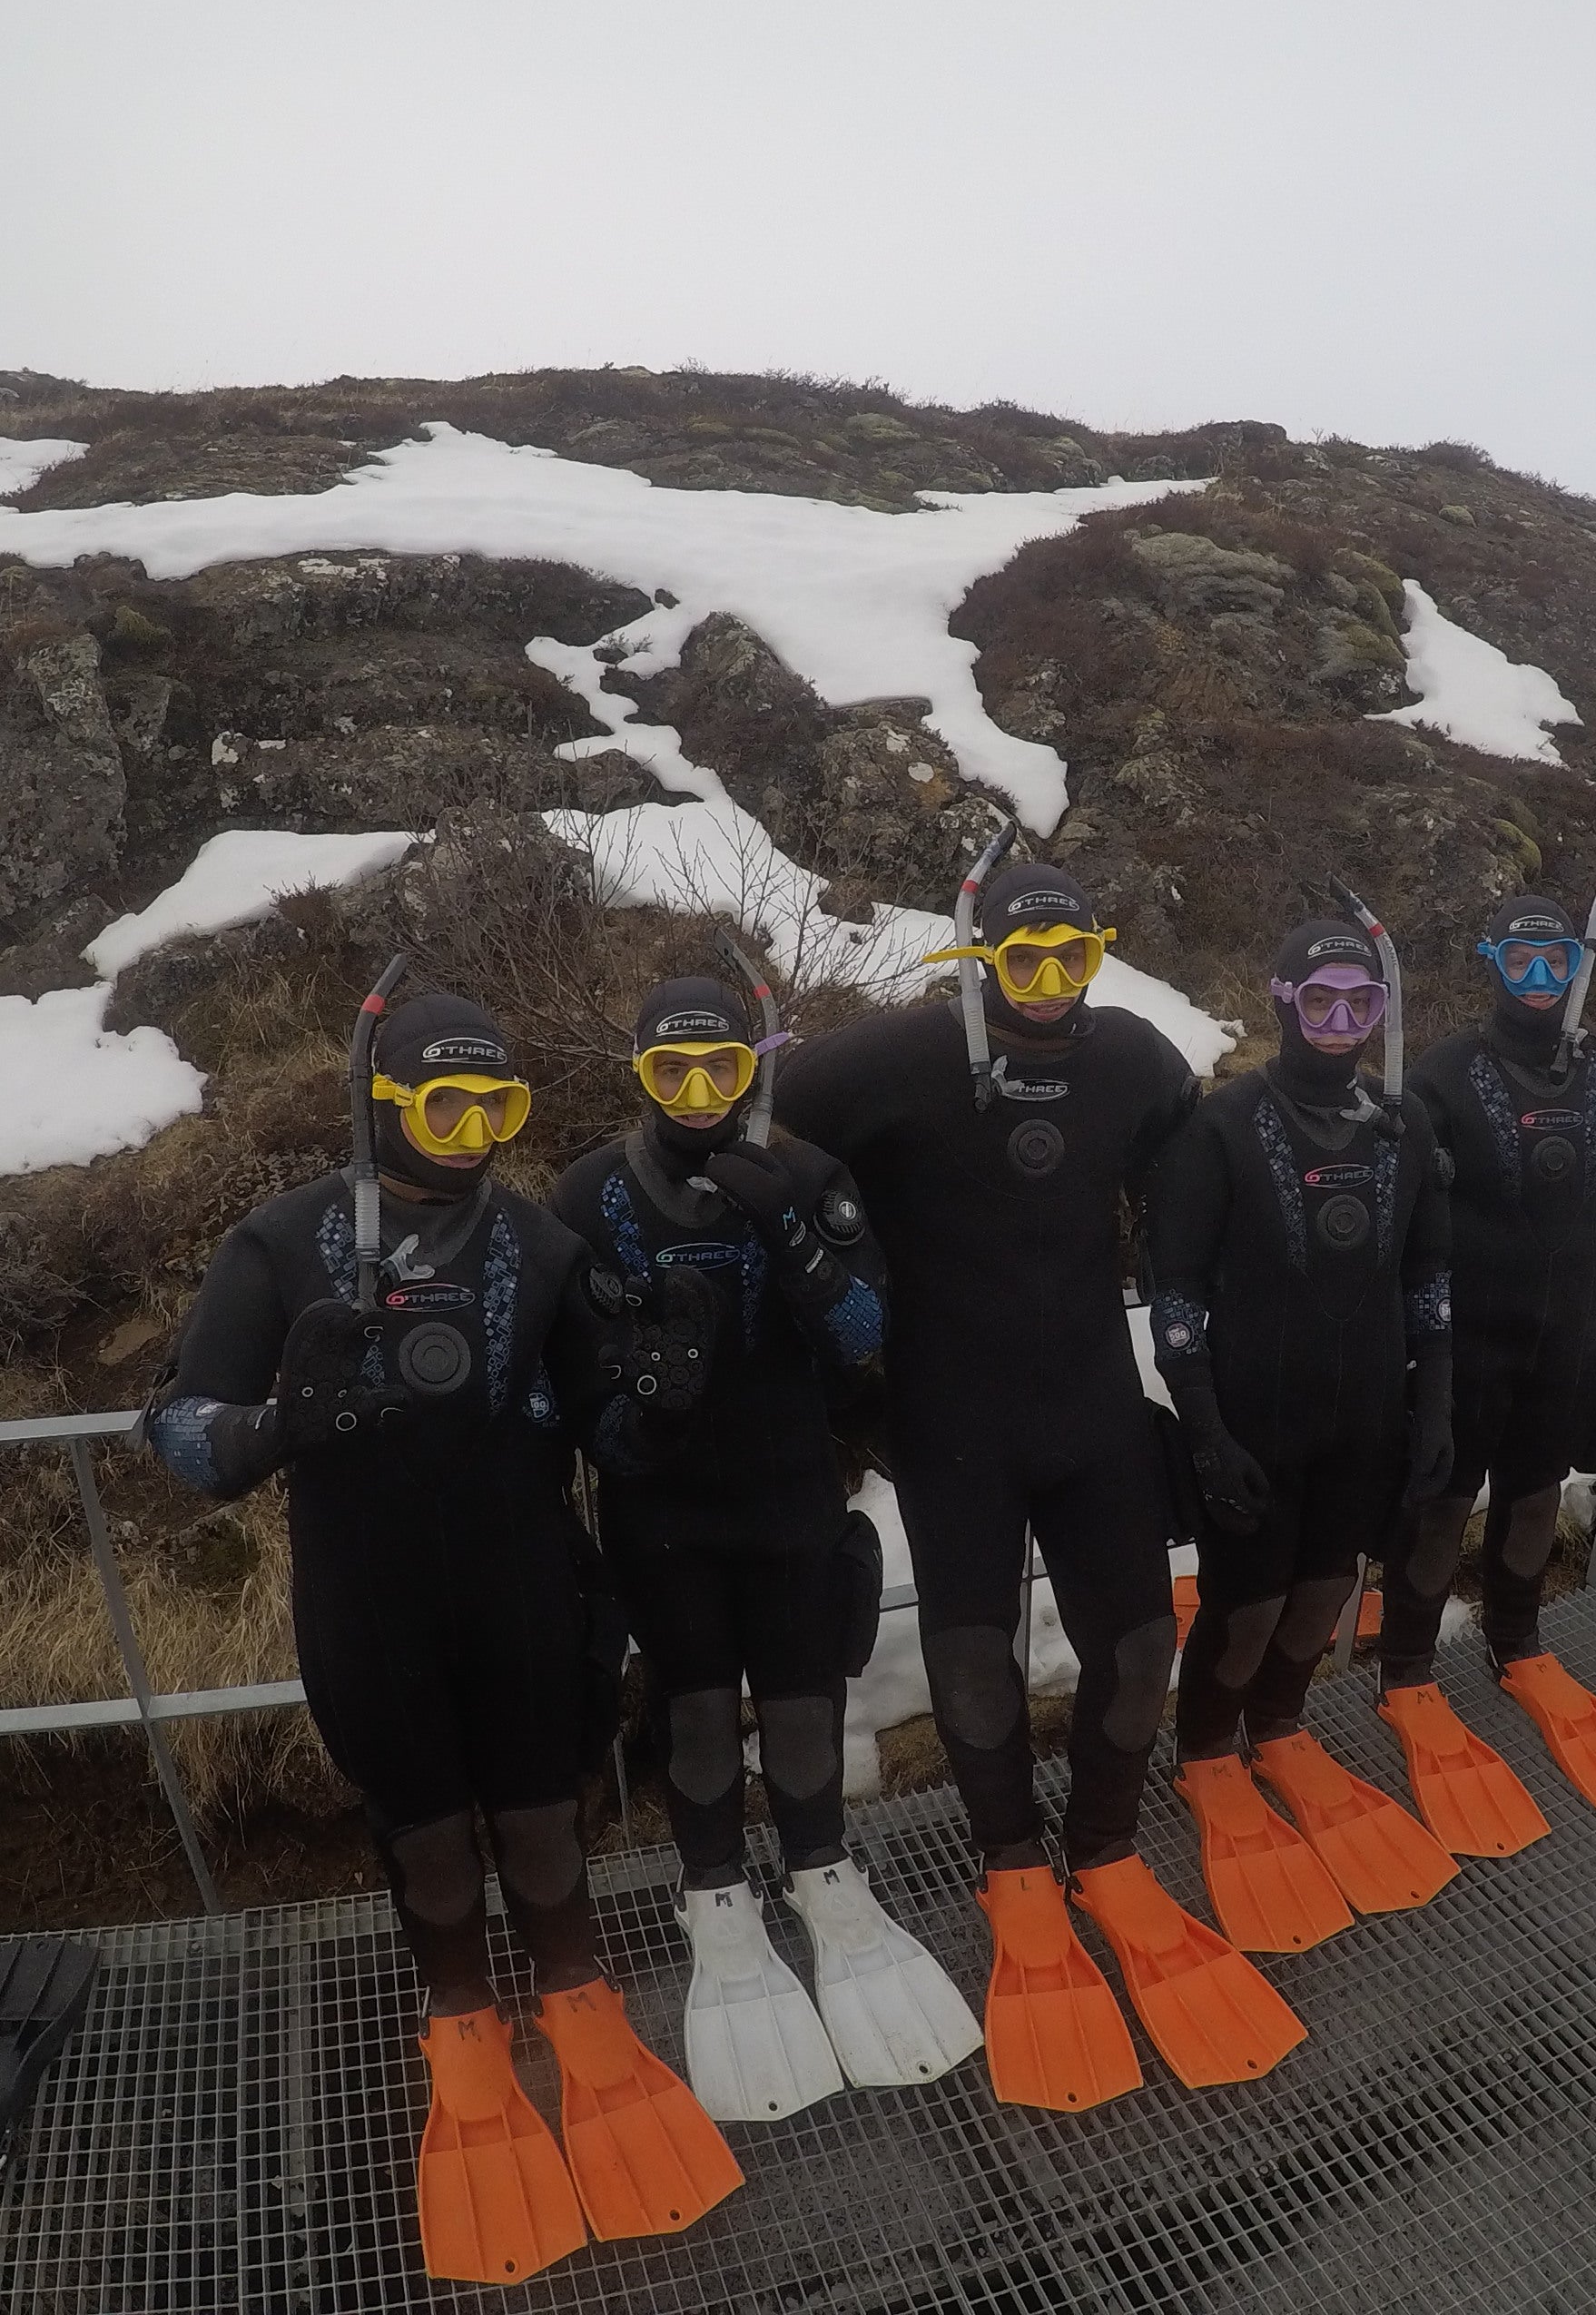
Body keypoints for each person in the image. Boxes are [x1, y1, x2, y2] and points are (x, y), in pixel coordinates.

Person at [143, 985, 736, 2284]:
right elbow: (180, 1432)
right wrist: (272, 1433)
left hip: (524, 1582)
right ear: (382, 1103)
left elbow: (614, 1434)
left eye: (496, 1105)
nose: (469, 1131)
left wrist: (669, 1401)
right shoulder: (282, 1244)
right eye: (442, 1103)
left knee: (539, 1815)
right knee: (423, 1834)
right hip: (367, 1598)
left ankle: (578, 2002)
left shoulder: (536, 1242)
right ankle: (462, 2025)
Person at [776, 858, 1298, 2108]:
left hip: (1090, 1406)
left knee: (1131, 1649)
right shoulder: (895, 1058)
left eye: (1075, 958)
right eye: (1026, 961)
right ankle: (1013, 1865)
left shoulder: (1132, 1058)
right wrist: (830, 1286)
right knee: (971, 1653)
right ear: (978, 959)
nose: (1053, 986)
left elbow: (1196, 1190)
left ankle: (1107, 1852)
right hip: (949, 1419)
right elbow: (746, 1128)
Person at [549, 974, 979, 2120]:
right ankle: (712, 1888)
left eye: (721, 1072)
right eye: (670, 1074)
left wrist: (791, 1227)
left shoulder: (810, 1173)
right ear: (637, 1074)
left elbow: (863, 1339)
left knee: (801, 1702)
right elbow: (574, 1390)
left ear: (756, 1069)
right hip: (664, 1507)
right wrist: (647, 1409)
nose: (697, 1096)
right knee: (695, 1708)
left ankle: (820, 1867)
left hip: (790, 1488)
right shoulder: (592, 1195)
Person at [1153, 912, 1491, 1950]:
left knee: (1328, 1587)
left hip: (1361, 1416)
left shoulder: (1403, 1127)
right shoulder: (1221, 1127)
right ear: (1281, 1001)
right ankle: (1209, 1751)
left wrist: (1431, 1408)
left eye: (1364, 1003)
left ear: (1382, 1011)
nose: (1342, 1021)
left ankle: (1282, 1727)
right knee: (1247, 1603)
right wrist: (1205, 1432)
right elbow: (1176, 1302)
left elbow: (1430, 1277)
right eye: (1321, 1001)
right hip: (1254, 1418)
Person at [1387, 892, 1596, 1813]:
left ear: (1578, 968)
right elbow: (1401, 1231)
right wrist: (1405, 1356)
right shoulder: (1443, 1072)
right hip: (1465, 1338)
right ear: (1491, 962)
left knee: (1535, 1490)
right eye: (1523, 964)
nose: (1542, 982)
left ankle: (1517, 1642)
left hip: (1572, 1331)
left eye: (1558, 963)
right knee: (1442, 1503)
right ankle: (1407, 1668)